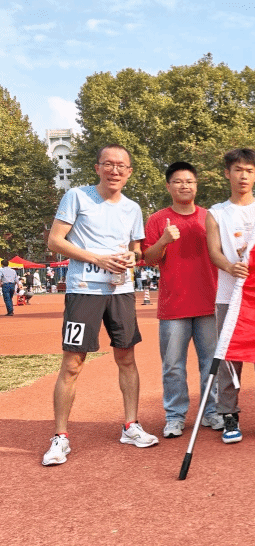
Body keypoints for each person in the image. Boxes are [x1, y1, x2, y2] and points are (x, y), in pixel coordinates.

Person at [42, 143, 158, 466]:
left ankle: (131, 425)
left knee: (126, 357)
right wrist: (97, 259)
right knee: (73, 362)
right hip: (83, 290)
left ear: (129, 172)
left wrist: (131, 257)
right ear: (97, 168)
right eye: (108, 164)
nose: (114, 170)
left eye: (121, 166)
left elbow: (137, 250)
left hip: (121, 291)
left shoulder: (133, 208)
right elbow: (55, 241)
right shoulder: (77, 197)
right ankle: (60, 437)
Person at [143, 161, 223, 438]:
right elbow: (148, 258)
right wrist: (164, 240)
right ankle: (175, 416)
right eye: (178, 181)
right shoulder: (157, 220)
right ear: (168, 186)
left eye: (189, 181)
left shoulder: (210, 217)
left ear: (196, 186)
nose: (184, 185)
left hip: (209, 302)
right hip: (174, 305)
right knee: (173, 366)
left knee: (211, 364)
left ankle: (211, 412)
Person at [206, 148, 255, 444]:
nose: (243, 176)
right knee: (229, 357)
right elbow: (214, 252)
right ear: (228, 173)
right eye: (238, 170)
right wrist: (230, 267)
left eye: (249, 171)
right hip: (229, 296)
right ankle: (229, 414)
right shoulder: (216, 213)